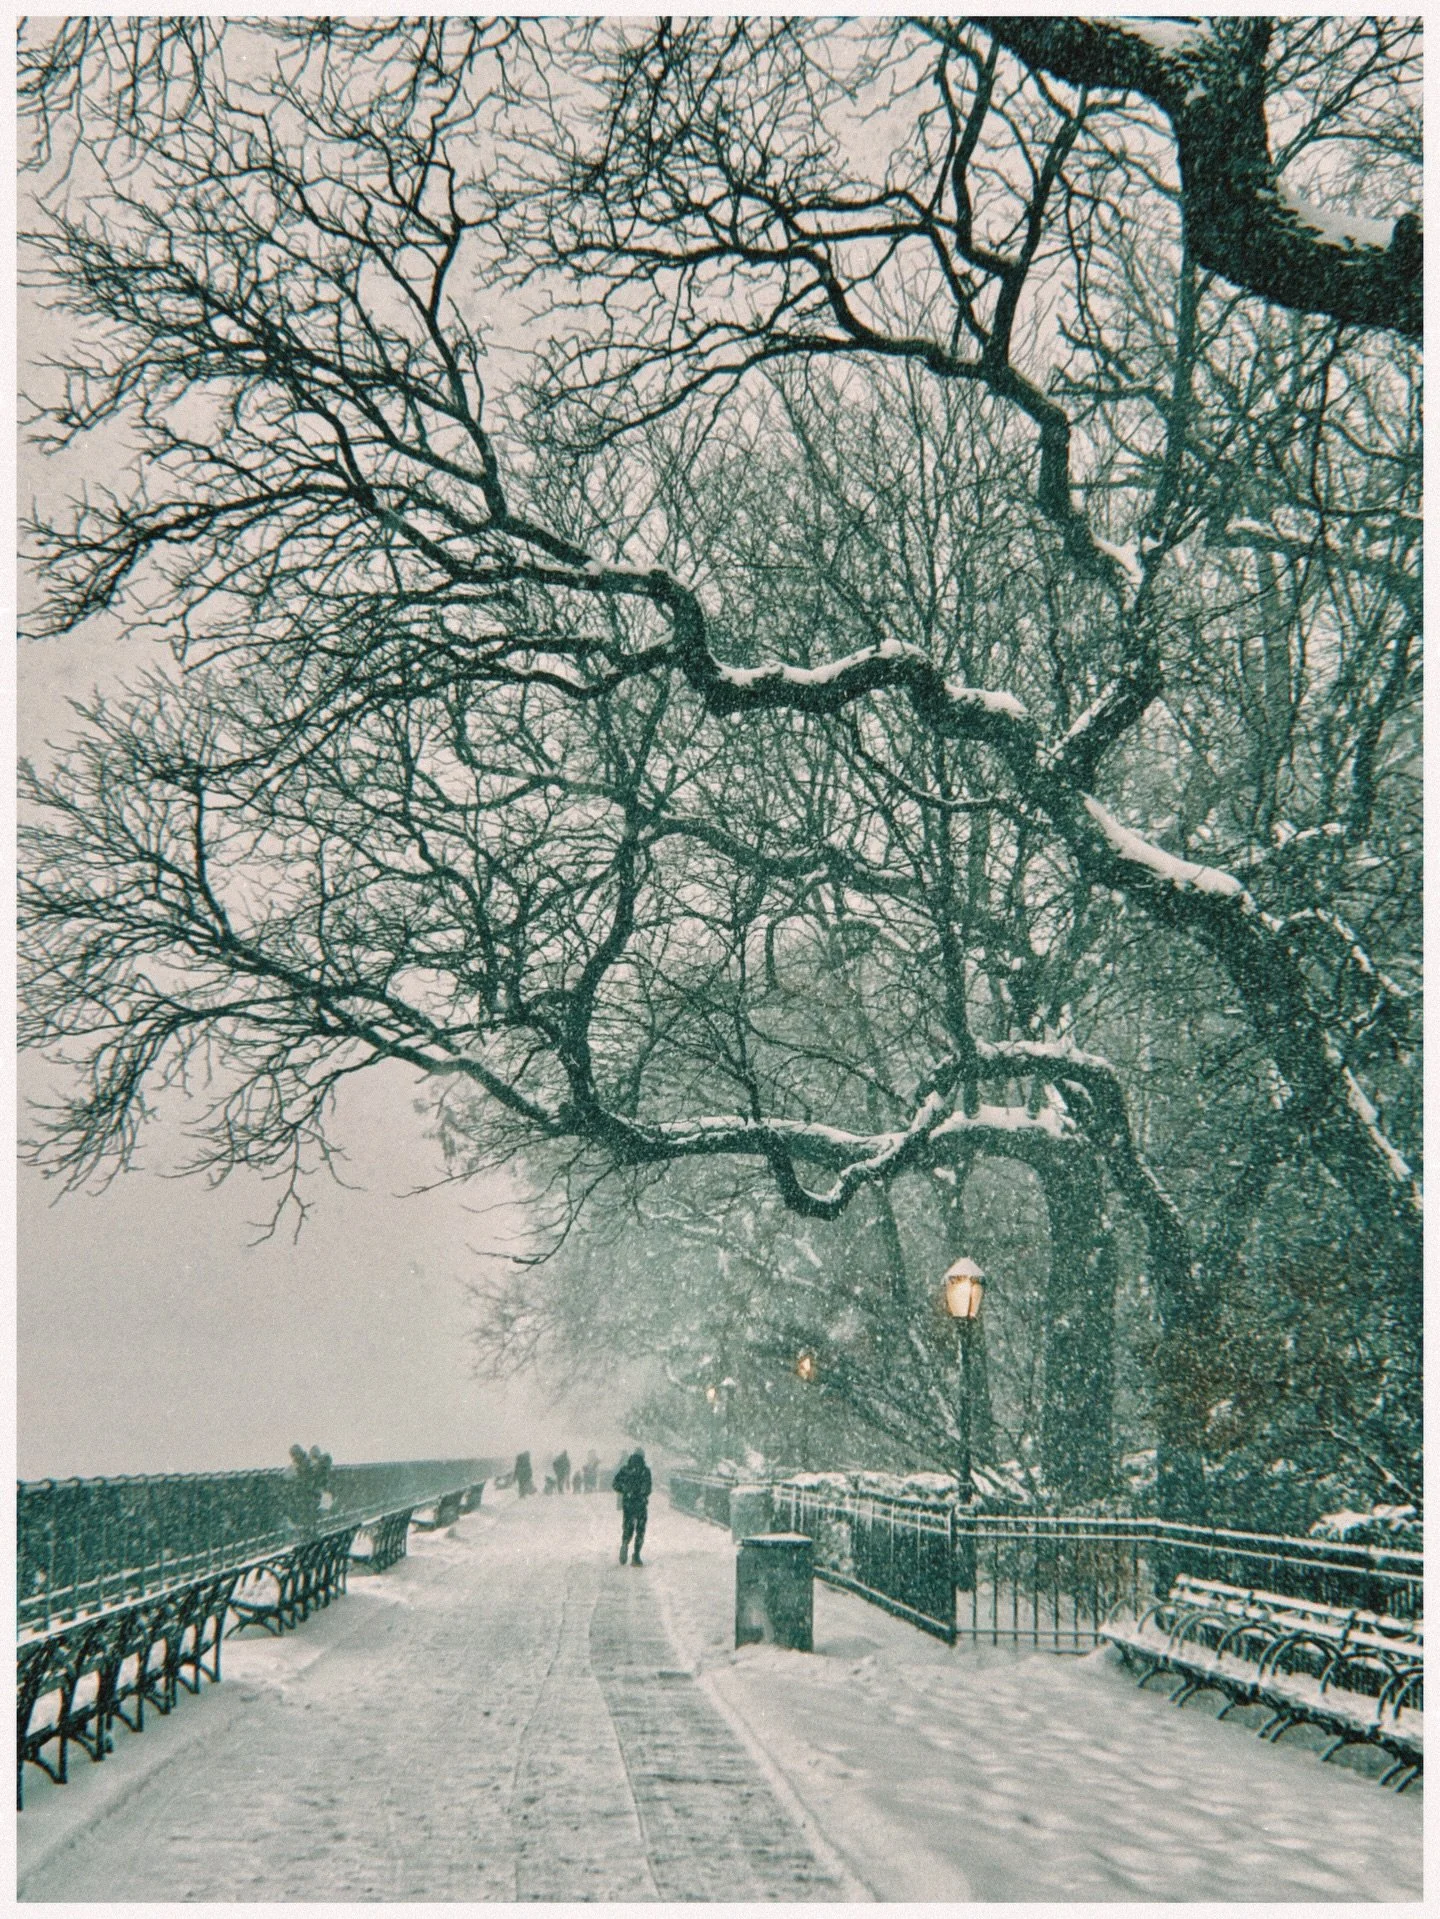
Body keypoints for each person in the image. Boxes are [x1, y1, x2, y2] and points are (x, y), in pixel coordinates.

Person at [613, 1449, 652, 1566]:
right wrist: (642, 1493)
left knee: (628, 1525)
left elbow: (615, 1483)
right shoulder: (645, 1471)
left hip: (628, 1503)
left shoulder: (625, 1469)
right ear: (643, 1457)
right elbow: (648, 1488)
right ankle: (636, 1556)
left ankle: (625, 1542)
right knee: (640, 1529)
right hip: (640, 1503)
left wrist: (625, 1490)